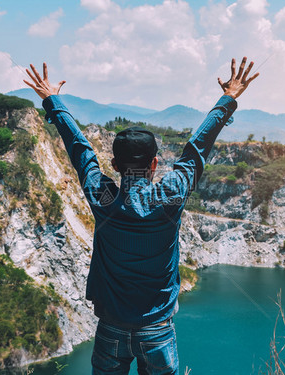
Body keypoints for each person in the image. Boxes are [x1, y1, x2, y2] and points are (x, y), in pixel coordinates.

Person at [24, 57, 259, 375]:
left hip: (112, 329)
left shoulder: (105, 198)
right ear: (154, 164)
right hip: (157, 331)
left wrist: (52, 100)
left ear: (116, 166)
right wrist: (228, 99)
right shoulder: (169, 196)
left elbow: (81, 152)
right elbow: (196, 150)